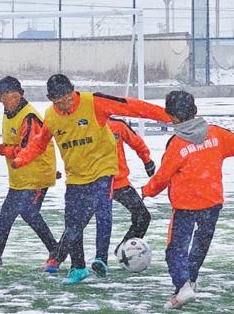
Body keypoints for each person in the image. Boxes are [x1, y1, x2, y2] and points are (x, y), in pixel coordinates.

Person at [12, 74, 171, 285]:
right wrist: (22, 158)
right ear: (51, 99)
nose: (65, 105)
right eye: (59, 102)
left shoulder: (93, 103)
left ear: (73, 91)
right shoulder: (51, 115)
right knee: (73, 223)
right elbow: (40, 143)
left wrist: (168, 116)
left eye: (68, 99)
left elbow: (130, 106)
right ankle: (78, 267)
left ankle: (101, 258)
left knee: (104, 209)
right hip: (76, 175)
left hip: (104, 168)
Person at [142, 90, 234, 309]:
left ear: (173, 117)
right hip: (212, 202)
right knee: (201, 243)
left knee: (175, 249)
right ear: (195, 110)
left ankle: (182, 287)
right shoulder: (216, 134)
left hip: (186, 205)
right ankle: (191, 280)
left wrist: (146, 191)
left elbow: (162, 178)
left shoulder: (176, 144)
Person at [44, 116, 155, 273]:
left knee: (143, 216)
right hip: (95, 183)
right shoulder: (82, 125)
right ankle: (56, 258)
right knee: (78, 223)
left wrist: (147, 160)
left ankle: (123, 250)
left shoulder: (118, 125)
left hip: (118, 182)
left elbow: (137, 142)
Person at [0, 76, 58, 270]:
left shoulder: (29, 117)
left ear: (22, 95)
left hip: (37, 175)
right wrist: (1, 149)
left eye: (15, 95)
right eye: (7, 96)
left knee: (29, 212)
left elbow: (27, 150)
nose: (11, 100)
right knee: (6, 215)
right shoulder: (8, 113)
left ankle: (56, 251)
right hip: (20, 176)